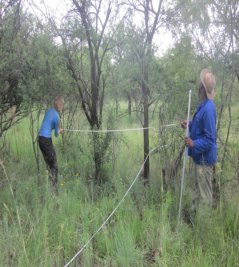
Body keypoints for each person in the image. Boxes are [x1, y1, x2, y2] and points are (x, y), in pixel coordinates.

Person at [181, 69, 217, 220]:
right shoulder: (203, 105)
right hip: (198, 158)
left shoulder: (208, 109)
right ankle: (194, 220)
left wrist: (193, 143)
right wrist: (188, 124)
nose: (197, 86)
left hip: (204, 159)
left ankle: (203, 228)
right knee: (197, 190)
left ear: (202, 88)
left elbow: (209, 139)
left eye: (200, 84)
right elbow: (199, 126)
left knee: (204, 195)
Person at [38, 96, 64, 193]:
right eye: (62, 104)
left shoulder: (49, 111)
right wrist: (60, 130)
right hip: (46, 140)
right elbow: (56, 134)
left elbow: (48, 124)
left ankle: (51, 185)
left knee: (50, 163)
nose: (63, 106)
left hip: (41, 139)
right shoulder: (57, 117)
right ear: (60, 105)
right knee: (54, 165)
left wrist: (56, 128)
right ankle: (54, 189)